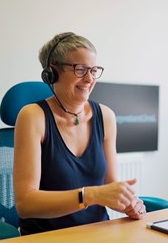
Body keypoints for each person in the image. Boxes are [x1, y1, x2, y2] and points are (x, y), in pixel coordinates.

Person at [13, 32, 146, 235]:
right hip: (48, 237)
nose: (89, 78)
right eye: (80, 69)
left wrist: (127, 203)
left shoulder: (106, 116)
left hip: (97, 233)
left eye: (93, 70)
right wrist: (89, 195)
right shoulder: (33, 117)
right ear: (52, 73)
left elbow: (108, 184)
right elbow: (26, 203)